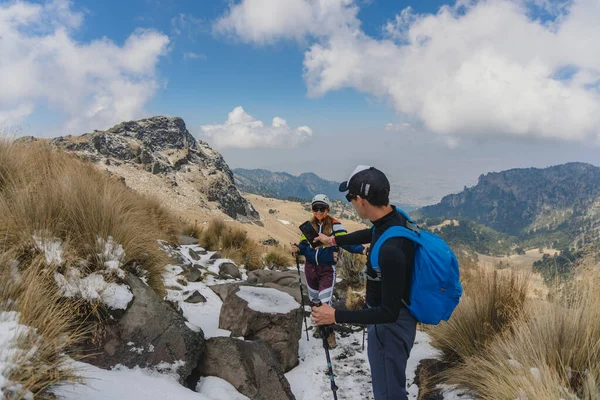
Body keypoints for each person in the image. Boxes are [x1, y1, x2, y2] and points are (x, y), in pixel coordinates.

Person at [310, 166, 417, 400]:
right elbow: (372, 233)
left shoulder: (392, 250)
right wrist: (333, 241)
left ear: (360, 200)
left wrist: (335, 316)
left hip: (391, 326)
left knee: (389, 393)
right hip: (389, 320)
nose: (350, 203)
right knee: (387, 387)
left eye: (350, 198)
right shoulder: (394, 218)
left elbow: (388, 313)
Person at [292, 194, 366, 348]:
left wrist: (363, 250)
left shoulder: (335, 224)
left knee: (325, 303)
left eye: (322, 208)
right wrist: (297, 249)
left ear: (327, 209)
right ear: (312, 209)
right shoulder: (308, 226)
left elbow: (346, 242)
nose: (318, 211)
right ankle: (321, 327)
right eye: (315, 208)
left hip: (327, 269)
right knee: (315, 302)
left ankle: (329, 333)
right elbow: (304, 247)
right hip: (310, 268)